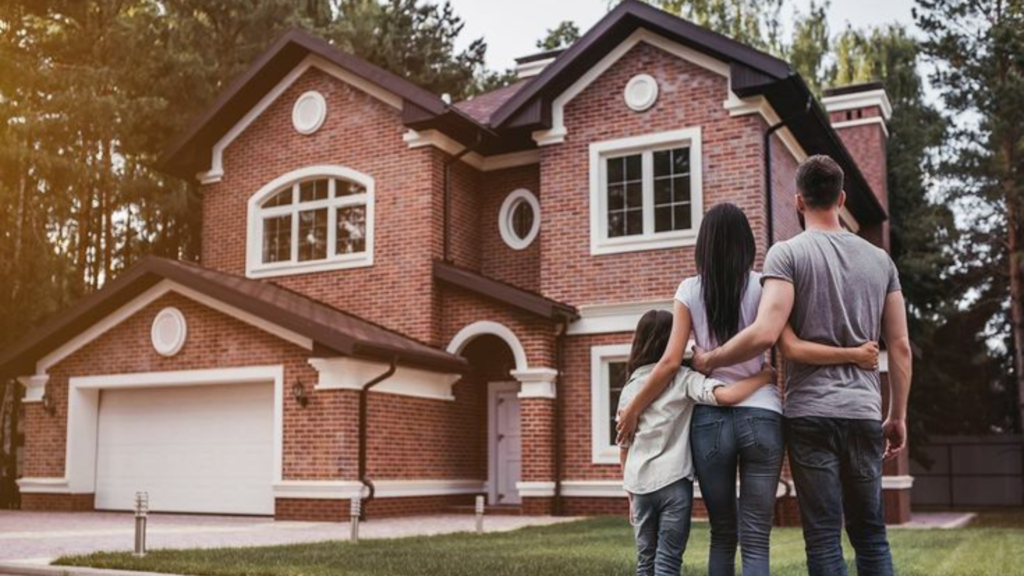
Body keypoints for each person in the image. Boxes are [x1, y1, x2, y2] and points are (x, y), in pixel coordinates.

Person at [616, 203, 878, 576]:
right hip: (763, 417)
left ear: (703, 245)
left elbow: (670, 362)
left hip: (710, 422)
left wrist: (634, 407)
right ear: (747, 244)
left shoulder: (689, 290)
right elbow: (784, 342)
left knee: (723, 533)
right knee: (755, 536)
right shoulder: (764, 286)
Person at [690, 155, 913, 576]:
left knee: (824, 537)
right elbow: (900, 347)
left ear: (798, 201)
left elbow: (765, 334)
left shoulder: (787, 254)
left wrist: (709, 359)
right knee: (871, 535)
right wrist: (896, 415)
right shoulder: (881, 261)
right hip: (864, 412)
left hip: (810, 413)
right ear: (842, 198)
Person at [618, 309, 774, 576]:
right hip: (674, 484)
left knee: (645, 562)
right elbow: (725, 396)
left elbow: (624, 446)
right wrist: (764, 377)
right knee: (668, 562)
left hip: (639, 486)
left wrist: (631, 494)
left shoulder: (630, 388)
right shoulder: (682, 379)